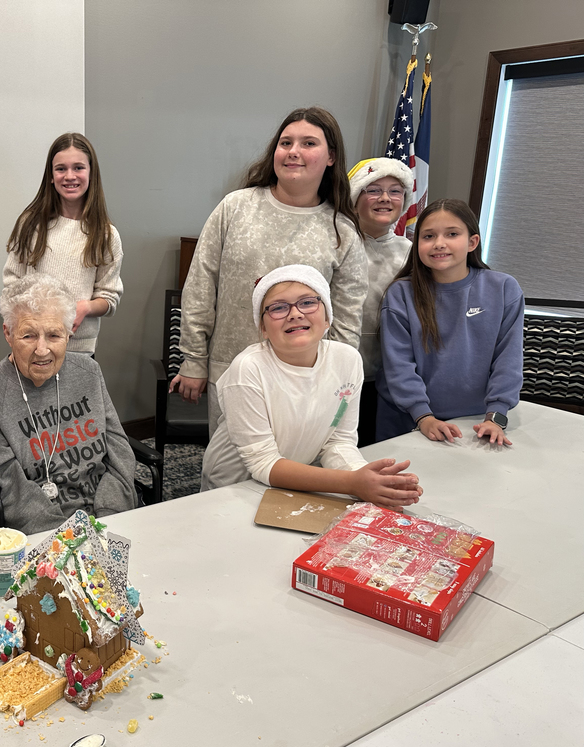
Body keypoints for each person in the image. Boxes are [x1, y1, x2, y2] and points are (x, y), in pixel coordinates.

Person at [172, 106, 368, 432]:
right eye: (286, 142)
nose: (293, 152)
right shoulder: (235, 208)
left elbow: (346, 322)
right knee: (229, 470)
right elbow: (200, 286)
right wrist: (193, 359)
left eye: (308, 143)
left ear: (331, 156)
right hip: (231, 369)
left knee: (295, 471)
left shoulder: (342, 232)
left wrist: (337, 382)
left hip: (305, 381)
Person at [201, 265, 422, 510]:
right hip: (235, 487)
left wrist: (369, 480)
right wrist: (352, 483)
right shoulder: (248, 369)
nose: (295, 314)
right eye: (278, 308)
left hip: (292, 484)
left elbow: (337, 441)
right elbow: (263, 462)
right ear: (262, 328)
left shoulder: (347, 360)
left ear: (327, 317)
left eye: (308, 303)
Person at [0, 274, 137, 534]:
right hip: (45, 531)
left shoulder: (88, 372)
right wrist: (65, 540)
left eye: (53, 335)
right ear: (8, 333)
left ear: (69, 333)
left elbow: (119, 452)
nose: (42, 349)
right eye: (28, 336)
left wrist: (109, 517)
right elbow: (11, 487)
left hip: (108, 517)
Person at [377, 199, 524, 445]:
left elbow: (508, 359)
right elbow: (398, 364)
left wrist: (495, 417)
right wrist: (423, 416)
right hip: (407, 419)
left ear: (472, 242)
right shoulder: (400, 293)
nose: (439, 244)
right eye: (428, 236)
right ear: (417, 244)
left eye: (452, 234)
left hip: (478, 421)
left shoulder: (503, 289)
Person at [4, 132, 123, 355]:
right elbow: (12, 284)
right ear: (51, 175)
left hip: (79, 351)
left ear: (91, 173)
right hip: (31, 350)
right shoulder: (30, 225)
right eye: (61, 169)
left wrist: (85, 307)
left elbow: (109, 297)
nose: (70, 176)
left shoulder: (106, 235)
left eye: (78, 167)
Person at [347, 157, 416, 446]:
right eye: (373, 190)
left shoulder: (412, 252)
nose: (385, 198)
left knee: (379, 447)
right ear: (355, 197)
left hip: (389, 376)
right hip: (342, 372)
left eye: (395, 191)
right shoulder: (337, 243)